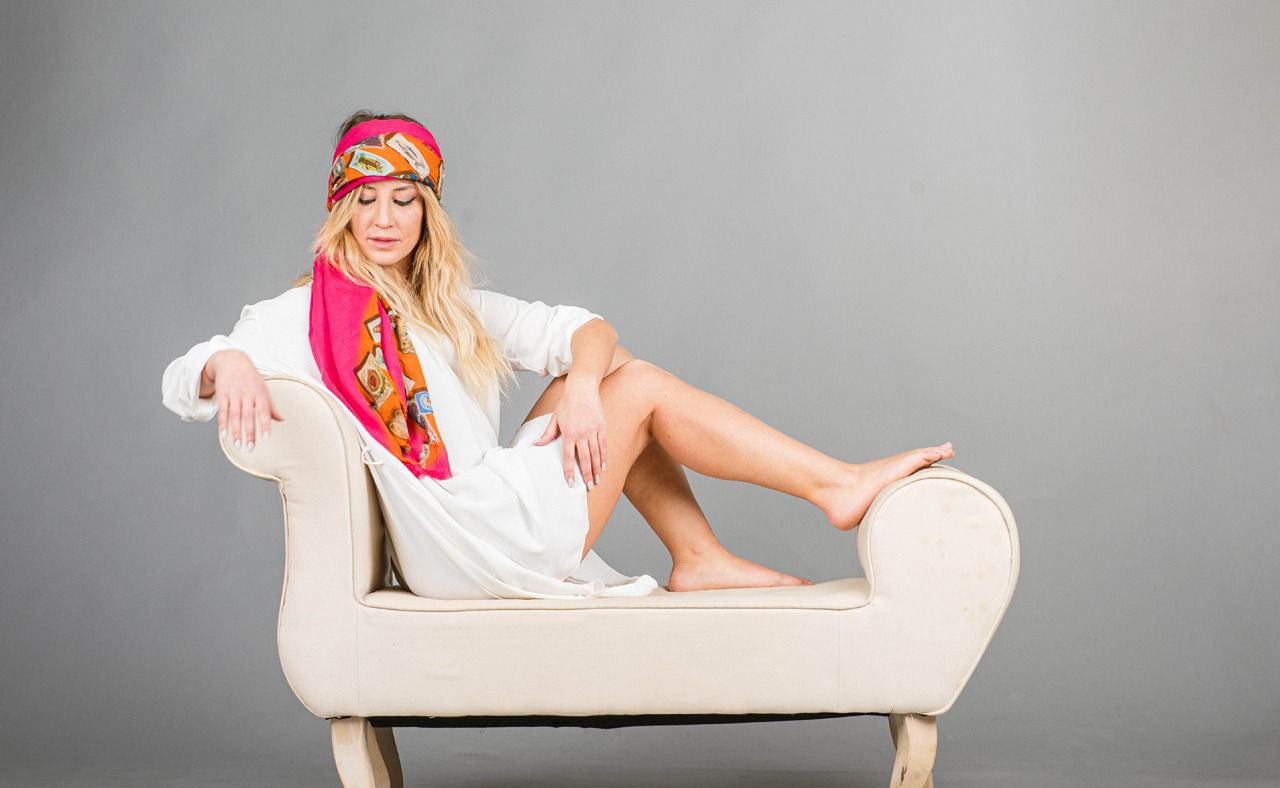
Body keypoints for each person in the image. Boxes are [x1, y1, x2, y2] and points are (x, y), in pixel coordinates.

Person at [161, 109, 955, 600]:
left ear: (428, 214)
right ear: (341, 211)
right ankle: (833, 487)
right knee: (636, 385)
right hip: (465, 540)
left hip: (479, 518)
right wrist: (229, 365)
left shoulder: (450, 310)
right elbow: (181, 377)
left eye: (405, 200)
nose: (384, 219)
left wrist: (580, 388)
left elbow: (587, 327)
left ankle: (701, 554)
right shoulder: (304, 313)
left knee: (608, 371)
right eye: (364, 200)